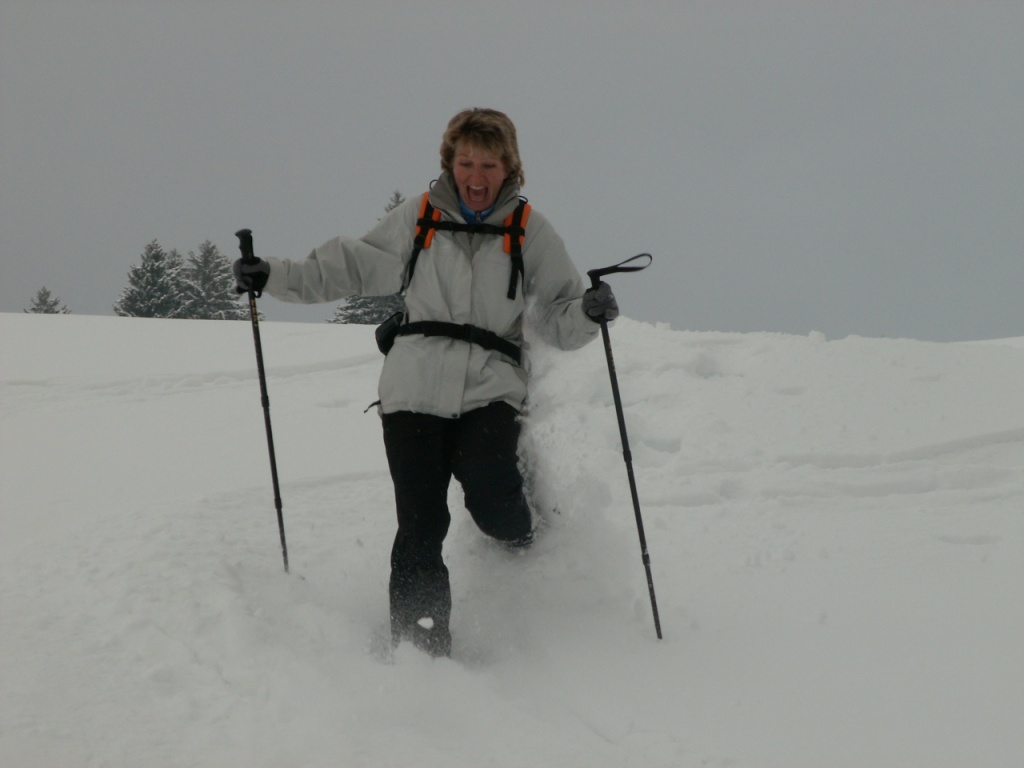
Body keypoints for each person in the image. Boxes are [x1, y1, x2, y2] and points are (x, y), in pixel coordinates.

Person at [234, 108, 619, 657]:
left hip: (491, 388)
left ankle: (522, 527)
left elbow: (560, 314)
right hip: (412, 391)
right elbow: (352, 265)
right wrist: (273, 275)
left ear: (509, 168)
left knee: (494, 505)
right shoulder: (419, 217)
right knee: (420, 524)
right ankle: (422, 652)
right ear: (449, 162)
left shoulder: (529, 229)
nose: (476, 176)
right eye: (466, 162)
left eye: (489, 164)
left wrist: (589, 311)